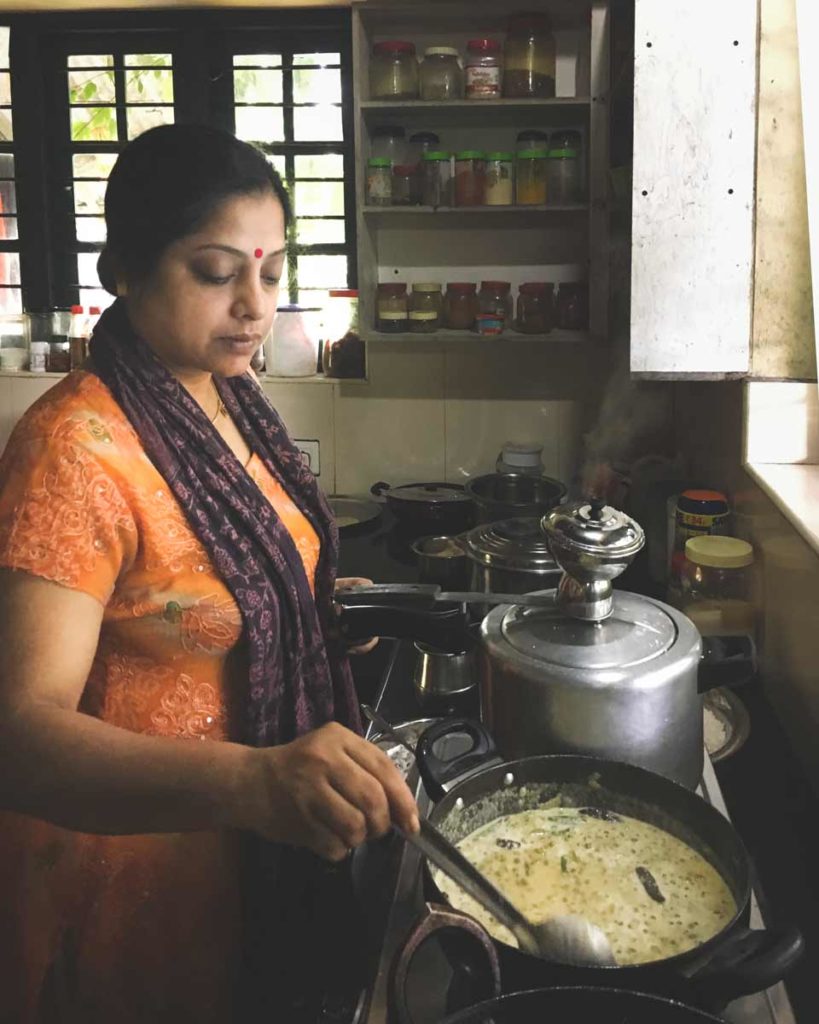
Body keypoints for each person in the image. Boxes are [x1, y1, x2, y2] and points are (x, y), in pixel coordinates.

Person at [0, 123, 418, 1024]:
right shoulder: (76, 448)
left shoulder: (228, 401)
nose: (255, 307)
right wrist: (252, 782)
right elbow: (17, 739)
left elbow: (216, 590)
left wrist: (302, 609)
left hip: (253, 851)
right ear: (126, 271)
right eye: (216, 273)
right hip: (143, 874)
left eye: (268, 273)